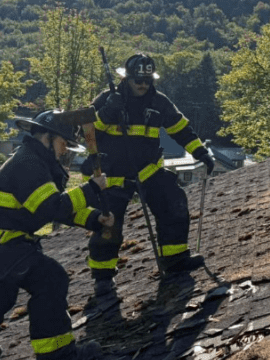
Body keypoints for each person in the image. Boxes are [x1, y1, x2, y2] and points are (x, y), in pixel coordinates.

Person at [0, 109, 115, 360]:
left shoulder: (33, 160)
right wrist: (91, 190)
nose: (64, 152)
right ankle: (59, 359)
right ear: (47, 137)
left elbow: (54, 208)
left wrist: (93, 218)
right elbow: (50, 208)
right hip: (0, 241)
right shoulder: (29, 164)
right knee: (50, 279)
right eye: (63, 144)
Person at [85, 53, 215, 294]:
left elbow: (180, 129)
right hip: (113, 174)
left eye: (147, 80)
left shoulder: (160, 102)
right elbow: (86, 133)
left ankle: (175, 260)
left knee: (173, 202)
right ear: (126, 78)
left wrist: (201, 153)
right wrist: (105, 116)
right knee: (109, 223)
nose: (143, 85)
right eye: (138, 80)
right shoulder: (107, 99)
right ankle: (102, 276)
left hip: (148, 169)